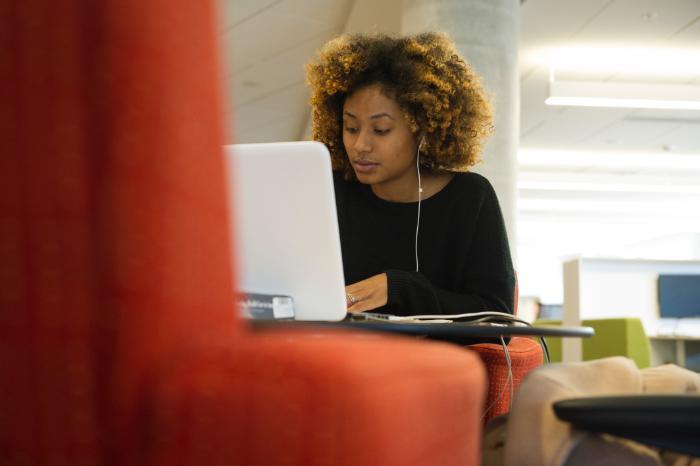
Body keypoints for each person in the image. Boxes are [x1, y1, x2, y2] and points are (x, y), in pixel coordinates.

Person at [305, 32, 514, 316]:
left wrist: (401, 288)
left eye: (381, 130)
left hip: (432, 358)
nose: (359, 145)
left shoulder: (469, 198)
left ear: (423, 129)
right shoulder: (330, 191)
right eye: (351, 128)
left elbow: (496, 316)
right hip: (339, 352)